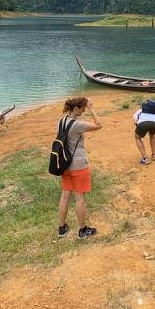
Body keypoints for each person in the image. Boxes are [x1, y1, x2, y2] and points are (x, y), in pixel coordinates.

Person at [57, 96, 102, 239]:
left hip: (64, 165)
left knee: (65, 196)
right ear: (76, 108)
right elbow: (99, 125)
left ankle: (62, 228)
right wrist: (92, 109)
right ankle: (83, 230)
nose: (83, 111)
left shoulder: (61, 121)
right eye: (82, 109)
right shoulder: (77, 125)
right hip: (78, 165)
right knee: (79, 198)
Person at [133, 99, 155, 165]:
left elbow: (135, 121)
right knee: (152, 135)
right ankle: (154, 155)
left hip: (142, 123)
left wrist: (140, 127)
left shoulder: (139, 111)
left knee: (137, 137)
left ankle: (145, 159)